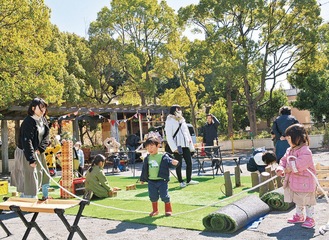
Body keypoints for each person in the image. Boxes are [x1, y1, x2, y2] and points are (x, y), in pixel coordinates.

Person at [275, 123, 317, 229]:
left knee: (307, 201)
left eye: (289, 138)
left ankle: (310, 218)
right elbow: (284, 160)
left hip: (306, 183)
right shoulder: (289, 150)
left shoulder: (305, 151)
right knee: (298, 200)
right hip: (295, 181)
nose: (288, 141)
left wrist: (288, 168)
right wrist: (281, 168)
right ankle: (299, 216)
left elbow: (301, 164)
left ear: (297, 138)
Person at [10, 98, 51, 200]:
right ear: (33, 108)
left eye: (44, 108)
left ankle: (42, 195)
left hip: (38, 151)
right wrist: (31, 159)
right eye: (41, 108)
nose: (43, 110)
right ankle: (28, 198)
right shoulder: (28, 121)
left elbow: (46, 137)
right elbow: (26, 141)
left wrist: (40, 149)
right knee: (30, 176)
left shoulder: (43, 120)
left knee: (43, 173)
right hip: (26, 152)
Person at [139, 137, 179, 217]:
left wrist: (174, 163)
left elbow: (170, 162)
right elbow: (144, 169)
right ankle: (155, 210)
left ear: (158, 146)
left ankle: (168, 210)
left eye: (152, 146)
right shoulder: (147, 158)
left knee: (164, 195)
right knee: (153, 196)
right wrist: (142, 179)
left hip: (162, 180)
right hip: (151, 181)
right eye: (147, 147)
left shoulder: (163, 156)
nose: (149, 149)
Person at [165, 105, 198, 188]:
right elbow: (168, 136)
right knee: (178, 164)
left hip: (185, 144)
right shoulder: (169, 120)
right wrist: (174, 148)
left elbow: (187, 133)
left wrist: (191, 145)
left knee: (189, 162)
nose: (180, 111)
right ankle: (180, 181)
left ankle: (189, 179)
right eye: (178, 109)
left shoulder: (182, 120)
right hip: (177, 145)